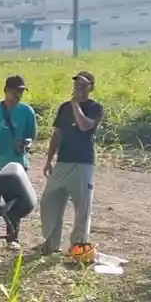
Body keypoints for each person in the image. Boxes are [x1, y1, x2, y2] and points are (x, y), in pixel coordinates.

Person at [39, 71, 104, 255]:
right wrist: (49, 160)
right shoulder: (64, 108)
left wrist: (75, 104)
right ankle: (51, 242)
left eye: (83, 85)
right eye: (77, 84)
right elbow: (57, 134)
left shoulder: (95, 107)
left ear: (91, 87)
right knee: (49, 201)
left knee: (82, 207)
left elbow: (84, 125)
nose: (78, 87)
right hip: (63, 161)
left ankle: (79, 247)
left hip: (83, 163)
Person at [0, 75, 38, 250]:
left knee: (14, 202)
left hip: (16, 166)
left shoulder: (27, 112)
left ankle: (12, 238)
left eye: (21, 92)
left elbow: (31, 136)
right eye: (15, 91)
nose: (18, 95)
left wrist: (25, 144)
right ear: (6, 91)